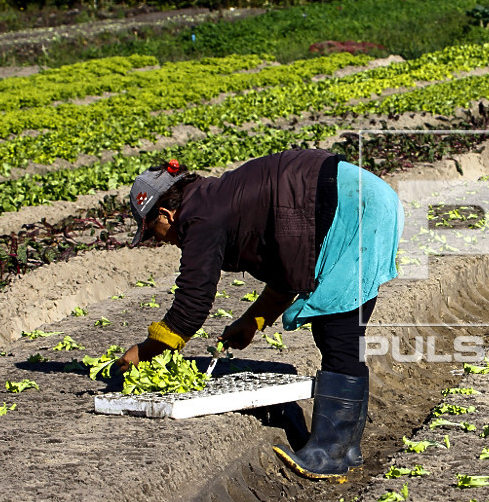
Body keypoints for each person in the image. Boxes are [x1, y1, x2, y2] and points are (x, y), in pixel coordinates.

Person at [120, 150, 403, 479]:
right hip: (362, 197)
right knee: (341, 332)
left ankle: (330, 453)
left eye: (154, 232)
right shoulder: (215, 200)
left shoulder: (199, 217)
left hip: (353, 206)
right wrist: (252, 321)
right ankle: (345, 449)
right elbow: (289, 265)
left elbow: (191, 305)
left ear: (167, 214)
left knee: (336, 331)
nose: (162, 241)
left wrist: (144, 352)